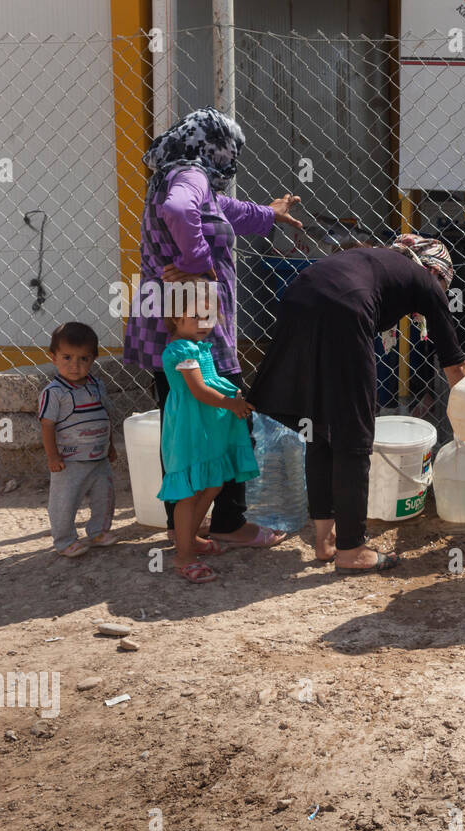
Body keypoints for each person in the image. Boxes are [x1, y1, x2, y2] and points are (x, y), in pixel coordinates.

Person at [122, 106, 301, 549]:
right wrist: (196, 264)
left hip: (166, 317)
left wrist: (268, 215)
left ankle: (180, 523)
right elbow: (183, 209)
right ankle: (229, 522)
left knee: (179, 422)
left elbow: (219, 209)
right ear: (214, 149)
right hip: (195, 320)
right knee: (231, 413)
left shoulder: (175, 171)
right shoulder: (189, 175)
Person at [248, 238, 465, 573]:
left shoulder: (380, 263)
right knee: (353, 433)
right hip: (344, 309)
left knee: (319, 424)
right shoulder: (426, 281)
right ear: (437, 271)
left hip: (298, 296)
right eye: (444, 283)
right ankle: (352, 550)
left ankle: (325, 540)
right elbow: (454, 364)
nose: (441, 290)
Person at [157, 294, 259, 583]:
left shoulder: (197, 347)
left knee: (213, 484)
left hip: (205, 428)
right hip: (189, 431)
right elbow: (200, 392)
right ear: (177, 318)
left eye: (209, 316)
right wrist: (233, 404)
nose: (205, 323)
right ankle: (183, 556)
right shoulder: (181, 351)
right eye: (196, 316)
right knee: (188, 493)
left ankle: (190, 539)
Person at [38, 322, 118, 557]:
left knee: (105, 497)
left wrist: (110, 446)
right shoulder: (54, 393)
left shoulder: (96, 385)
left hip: (99, 458)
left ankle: (98, 532)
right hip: (69, 461)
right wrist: (53, 456)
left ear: (93, 358)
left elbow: (105, 417)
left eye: (84, 358)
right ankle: (64, 541)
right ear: (53, 357)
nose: (75, 365)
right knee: (64, 503)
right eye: (67, 357)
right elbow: (47, 426)